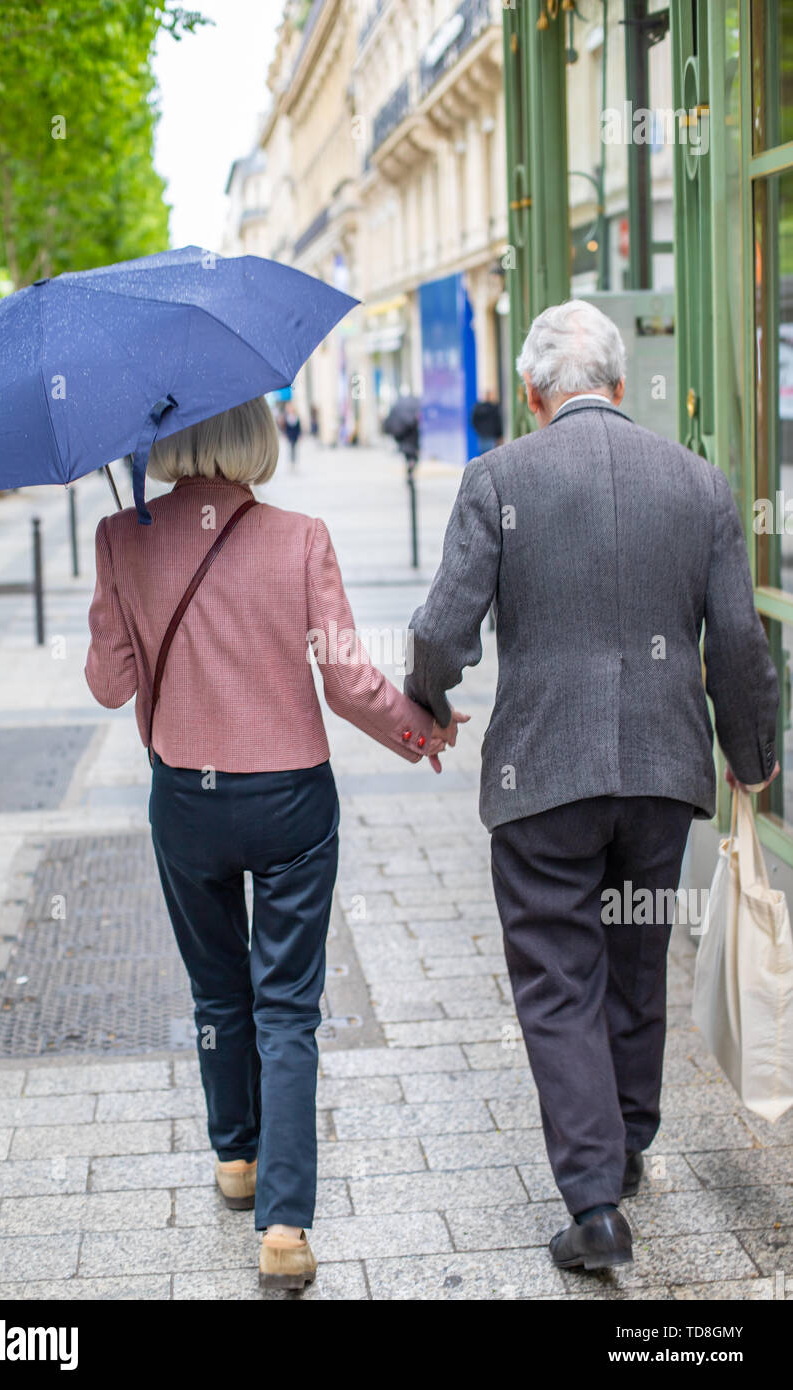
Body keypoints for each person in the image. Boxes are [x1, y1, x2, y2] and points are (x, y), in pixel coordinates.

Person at [404, 300, 779, 1273]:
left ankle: (592, 1199)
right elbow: (736, 640)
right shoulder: (697, 484)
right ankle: (629, 1134)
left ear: (533, 397)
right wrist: (750, 752)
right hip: (659, 771)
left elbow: (441, 632)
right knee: (633, 948)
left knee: (555, 975)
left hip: (542, 775)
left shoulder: (498, 478)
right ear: (617, 388)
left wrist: (428, 701)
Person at [84, 396, 453, 1291]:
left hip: (186, 801)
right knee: (287, 1008)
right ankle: (285, 1226)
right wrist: (422, 732)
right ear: (254, 436)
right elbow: (349, 680)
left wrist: (127, 599)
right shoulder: (299, 536)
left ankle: (235, 1158)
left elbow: (106, 684)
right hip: (289, 802)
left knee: (218, 994)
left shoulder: (118, 535)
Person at [471, 389, 503, 453]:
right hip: (492, 438)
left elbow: (474, 422)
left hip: (485, 438)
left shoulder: (478, 408)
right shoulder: (493, 408)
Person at [284, 403, 301, 468]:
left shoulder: (296, 416)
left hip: (295, 435)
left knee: (294, 448)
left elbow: (299, 427)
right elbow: (286, 427)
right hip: (290, 435)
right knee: (291, 448)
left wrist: (299, 434)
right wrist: (286, 434)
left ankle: (294, 461)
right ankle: (291, 461)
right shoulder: (287, 417)